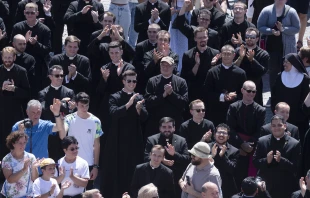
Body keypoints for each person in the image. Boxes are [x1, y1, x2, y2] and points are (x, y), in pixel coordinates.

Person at [101, 70, 147, 198]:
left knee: (133, 167)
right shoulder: (115, 96)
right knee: (117, 168)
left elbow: (145, 118)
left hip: (134, 138)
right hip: (117, 138)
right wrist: (128, 104)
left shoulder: (140, 97)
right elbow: (113, 114)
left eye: (134, 81)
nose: (132, 84)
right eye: (129, 81)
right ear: (123, 81)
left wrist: (139, 110)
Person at [226, 80, 266, 188]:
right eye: (249, 91)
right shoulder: (233, 107)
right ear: (242, 90)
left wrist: (249, 145)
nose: (251, 94)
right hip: (236, 146)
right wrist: (241, 145)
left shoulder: (260, 110)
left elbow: (260, 131)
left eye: (254, 92)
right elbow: (230, 128)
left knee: (250, 179)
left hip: (252, 147)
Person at [253, 115, 301, 198]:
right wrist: (266, 160)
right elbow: (255, 162)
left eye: (279, 125)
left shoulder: (294, 143)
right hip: (266, 186)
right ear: (271, 127)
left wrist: (281, 160)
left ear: (285, 126)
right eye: (273, 126)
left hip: (285, 187)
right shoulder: (262, 141)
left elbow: (296, 167)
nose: (276, 128)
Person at [257, 0, 300, 89]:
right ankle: (274, 94)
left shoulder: (292, 11)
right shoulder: (266, 10)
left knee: (288, 70)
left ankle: (287, 92)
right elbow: (260, 26)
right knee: (273, 72)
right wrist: (271, 31)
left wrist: (283, 29)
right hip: (271, 48)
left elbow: (297, 28)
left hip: (288, 48)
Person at [10, 2, 52, 94]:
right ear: (24, 12)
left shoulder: (45, 29)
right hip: (20, 64)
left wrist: (36, 43)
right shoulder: (17, 27)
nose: (29, 15)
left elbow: (47, 50)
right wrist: (24, 41)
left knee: (35, 92)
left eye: (32, 13)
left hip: (37, 66)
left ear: (37, 13)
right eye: (27, 13)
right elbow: (11, 46)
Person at [64, 92, 103, 190]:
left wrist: (95, 166)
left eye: (87, 105)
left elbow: (97, 145)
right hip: (71, 162)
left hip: (89, 163)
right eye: (82, 106)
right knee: (70, 191)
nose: (85, 108)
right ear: (76, 104)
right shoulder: (69, 119)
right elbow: (62, 135)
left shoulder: (96, 121)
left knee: (88, 193)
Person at [144, 117, 190, 197]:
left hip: (176, 180)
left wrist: (174, 154)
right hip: (156, 180)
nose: (167, 129)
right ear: (160, 128)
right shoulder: (152, 140)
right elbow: (146, 158)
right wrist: (161, 160)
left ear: (174, 128)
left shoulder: (181, 141)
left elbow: (187, 159)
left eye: (169, 127)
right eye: (164, 127)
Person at [96, 41, 135, 132]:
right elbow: (99, 91)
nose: (114, 55)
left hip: (124, 103)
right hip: (109, 106)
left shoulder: (129, 67)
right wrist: (104, 79)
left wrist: (119, 74)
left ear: (121, 52)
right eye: (111, 53)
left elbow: (129, 87)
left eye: (117, 52)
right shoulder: (105, 67)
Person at [203, 44, 247, 126]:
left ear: (234, 55)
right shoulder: (212, 72)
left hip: (235, 111)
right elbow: (207, 92)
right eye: (224, 54)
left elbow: (244, 93)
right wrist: (223, 96)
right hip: (216, 110)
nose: (226, 56)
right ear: (220, 55)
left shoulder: (241, 73)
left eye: (229, 54)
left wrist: (234, 96)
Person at [38, 65, 75, 161]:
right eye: (57, 76)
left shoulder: (69, 92)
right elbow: (44, 110)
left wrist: (70, 107)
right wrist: (62, 103)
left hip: (65, 130)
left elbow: (71, 111)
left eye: (62, 75)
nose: (60, 78)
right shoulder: (43, 93)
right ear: (50, 77)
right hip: (51, 131)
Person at [271, 53, 310, 144]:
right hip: (281, 118)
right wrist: (276, 111)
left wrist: (301, 114)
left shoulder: (304, 78)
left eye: (287, 62)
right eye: (284, 62)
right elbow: (274, 96)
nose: (284, 64)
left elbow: (306, 100)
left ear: (294, 64)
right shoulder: (279, 76)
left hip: (299, 118)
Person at [144, 56, 188, 137]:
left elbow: (184, 103)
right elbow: (148, 102)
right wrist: (163, 95)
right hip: (155, 124)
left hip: (175, 124)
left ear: (173, 67)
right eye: (163, 65)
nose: (165, 68)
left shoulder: (181, 82)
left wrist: (171, 93)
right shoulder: (152, 81)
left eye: (168, 66)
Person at [0, 47, 30, 160]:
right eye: (5, 57)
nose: (7, 60)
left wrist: (15, 89)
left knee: (16, 141)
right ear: (2, 57)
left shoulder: (21, 71)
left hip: (16, 113)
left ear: (14, 57)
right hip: (1, 113)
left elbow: (27, 93)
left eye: (9, 57)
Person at [181, 27, 219, 103]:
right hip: (194, 92)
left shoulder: (215, 53)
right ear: (195, 39)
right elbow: (186, 77)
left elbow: (216, 77)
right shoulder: (188, 55)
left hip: (210, 92)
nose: (202, 39)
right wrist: (197, 64)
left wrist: (213, 64)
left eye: (204, 37)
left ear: (207, 37)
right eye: (200, 38)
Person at [234, 27, 269, 105]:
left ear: (257, 39)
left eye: (252, 37)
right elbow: (233, 68)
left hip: (255, 89)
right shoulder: (239, 50)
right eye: (247, 37)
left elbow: (262, 71)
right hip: (239, 87)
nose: (249, 39)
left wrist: (252, 60)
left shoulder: (263, 54)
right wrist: (240, 57)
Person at [1, 131, 40, 198]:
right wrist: (24, 169)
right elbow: (10, 180)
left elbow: (35, 179)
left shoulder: (31, 157)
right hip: (10, 195)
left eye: (24, 143)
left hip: (28, 195)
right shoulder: (7, 159)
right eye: (20, 143)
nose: (23, 145)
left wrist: (34, 168)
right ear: (13, 144)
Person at [209, 123, 239, 198]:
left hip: (226, 187)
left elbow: (232, 169)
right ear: (215, 135)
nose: (221, 135)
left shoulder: (234, 151)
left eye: (224, 133)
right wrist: (212, 156)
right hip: (208, 184)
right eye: (219, 132)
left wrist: (223, 156)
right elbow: (201, 164)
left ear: (228, 137)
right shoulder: (208, 147)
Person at [133, 23, 160, 94]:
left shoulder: (162, 46)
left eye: (154, 32)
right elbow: (136, 63)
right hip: (143, 79)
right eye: (149, 32)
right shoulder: (140, 46)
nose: (152, 34)